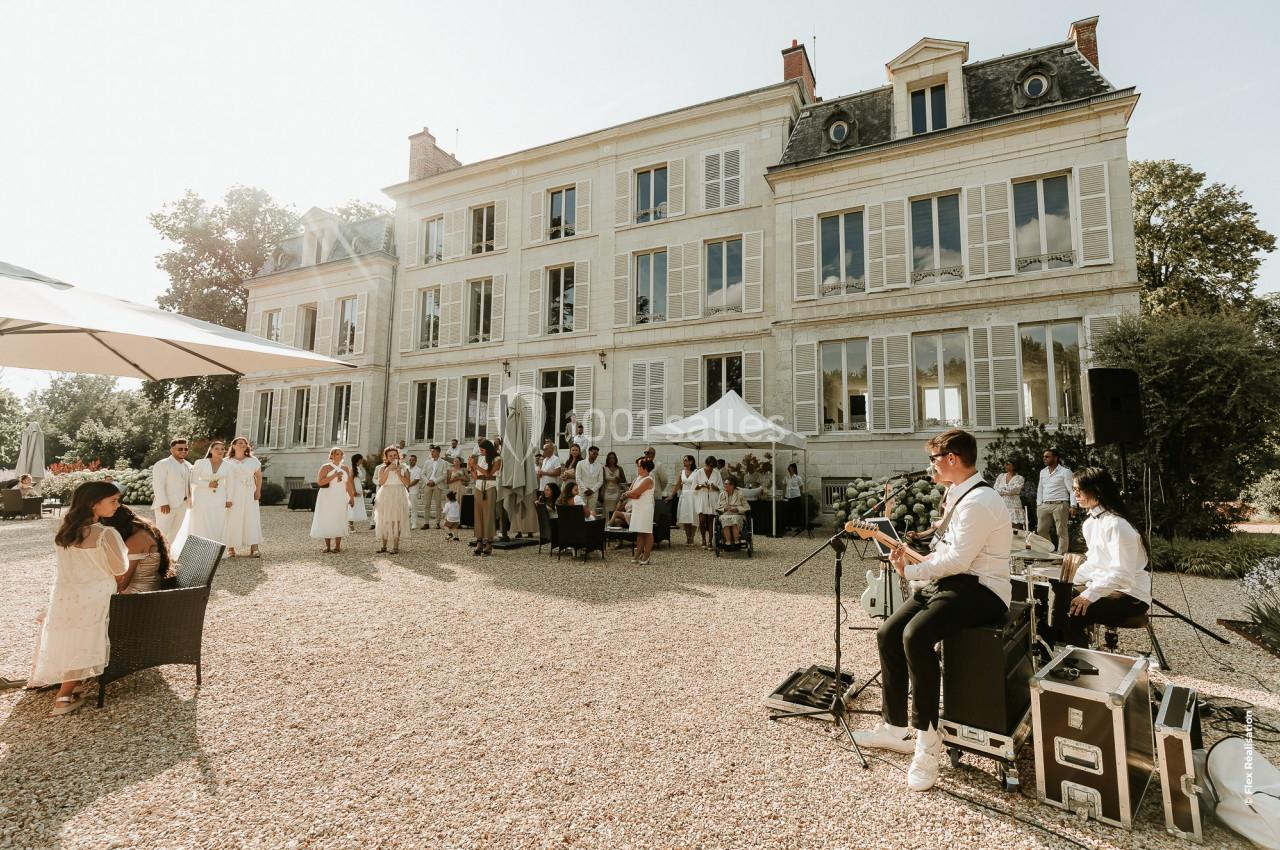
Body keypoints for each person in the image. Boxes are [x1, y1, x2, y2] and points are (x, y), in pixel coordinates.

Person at [853, 429, 1012, 793]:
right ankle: (895, 727)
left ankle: (927, 740)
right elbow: (947, 552)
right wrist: (915, 558)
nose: (931, 466)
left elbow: (959, 560)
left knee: (916, 636)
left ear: (952, 458)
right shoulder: (958, 493)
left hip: (984, 589)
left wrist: (912, 572)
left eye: (934, 459)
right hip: (953, 582)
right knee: (889, 632)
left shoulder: (978, 501)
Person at [30, 482, 130, 715]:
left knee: (70, 638)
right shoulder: (105, 534)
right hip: (97, 595)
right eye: (113, 501)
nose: (118, 505)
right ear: (93, 504)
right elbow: (120, 569)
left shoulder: (64, 533)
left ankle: (72, 685)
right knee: (85, 640)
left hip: (66, 594)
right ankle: (63, 698)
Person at [1054, 467, 1152, 647]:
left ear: (1097, 490)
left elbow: (1122, 575)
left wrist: (1089, 595)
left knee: (1072, 609)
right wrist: (1063, 579)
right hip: (1108, 587)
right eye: (1074, 489)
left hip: (1130, 594)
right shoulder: (1090, 523)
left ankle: (1078, 657)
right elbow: (1094, 563)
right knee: (1057, 597)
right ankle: (1060, 652)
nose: (1075, 494)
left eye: (1079, 489)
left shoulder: (1117, 525)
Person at [102, 504, 176, 594]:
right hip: (151, 591)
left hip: (138, 597)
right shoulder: (146, 529)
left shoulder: (136, 540)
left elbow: (121, 585)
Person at [223, 437, 262, 558]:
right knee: (231, 517)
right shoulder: (226, 461)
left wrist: (258, 491)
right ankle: (230, 548)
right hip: (232, 492)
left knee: (251, 517)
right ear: (233, 446)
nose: (243, 445)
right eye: (240, 443)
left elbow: (258, 476)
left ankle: (254, 547)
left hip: (249, 491)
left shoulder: (253, 460)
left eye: (245, 443)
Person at [311, 448, 355, 554]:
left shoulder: (345, 468)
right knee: (327, 518)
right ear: (332, 455)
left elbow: (348, 484)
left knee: (339, 518)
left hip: (340, 496)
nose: (340, 456)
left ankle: (338, 546)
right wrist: (334, 475)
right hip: (327, 496)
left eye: (341, 454)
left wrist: (351, 497)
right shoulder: (325, 467)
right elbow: (320, 482)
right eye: (337, 454)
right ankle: (328, 546)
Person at [150, 438, 193, 548]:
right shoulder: (162, 464)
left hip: (183, 504)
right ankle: (155, 553)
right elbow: (158, 485)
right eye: (180, 449)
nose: (183, 451)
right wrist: (163, 502)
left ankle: (166, 554)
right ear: (172, 450)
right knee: (161, 532)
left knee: (174, 533)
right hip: (166, 505)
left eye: (186, 449)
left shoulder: (188, 465)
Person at [1036, 448, 1076, 554]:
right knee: (1041, 530)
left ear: (1055, 458)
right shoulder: (1042, 472)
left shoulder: (1065, 472)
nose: (1044, 458)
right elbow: (1040, 488)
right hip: (1044, 505)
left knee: (1061, 532)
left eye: (1047, 456)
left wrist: (1073, 505)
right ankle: (1049, 552)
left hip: (1060, 504)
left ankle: (1061, 555)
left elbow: (1071, 490)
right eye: (1044, 456)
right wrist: (1039, 504)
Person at [190, 441, 231, 542]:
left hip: (219, 496)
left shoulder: (229, 465)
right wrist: (208, 484)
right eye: (216, 448)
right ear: (211, 450)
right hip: (201, 496)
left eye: (222, 449)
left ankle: (215, 547)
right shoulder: (200, 462)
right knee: (201, 521)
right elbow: (193, 479)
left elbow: (231, 484)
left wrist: (229, 499)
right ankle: (200, 546)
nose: (220, 451)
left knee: (218, 521)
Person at [374, 446, 411, 554]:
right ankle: (384, 546)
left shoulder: (404, 467)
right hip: (386, 494)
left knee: (397, 520)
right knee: (385, 520)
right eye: (390, 456)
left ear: (398, 455)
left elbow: (407, 483)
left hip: (399, 494)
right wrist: (388, 469)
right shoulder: (382, 468)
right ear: (386, 457)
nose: (393, 457)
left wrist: (399, 474)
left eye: (395, 455)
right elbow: (381, 482)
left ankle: (395, 546)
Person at [469, 439, 501, 556]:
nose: (480, 452)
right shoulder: (480, 458)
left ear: (488, 449)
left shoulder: (497, 459)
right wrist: (471, 468)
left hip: (490, 487)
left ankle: (489, 544)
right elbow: (475, 477)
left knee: (488, 515)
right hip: (478, 487)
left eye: (482, 450)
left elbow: (488, 474)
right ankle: (479, 542)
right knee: (478, 515)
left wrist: (475, 465)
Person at [624, 458, 657, 565]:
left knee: (647, 531)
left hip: (645, 508)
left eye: (639, 466)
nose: (637, 467)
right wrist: (631, 494)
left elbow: (636, 493)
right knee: (640, 531)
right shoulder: (638, 478)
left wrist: (630, 494)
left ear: (645, 467)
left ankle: (646, 555)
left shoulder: (648, 479)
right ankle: (638, 553)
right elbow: (632, 492)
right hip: (637, 507)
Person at [692, 456, 723, 549]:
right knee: (702, 520)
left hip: (713, 498)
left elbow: (721, 487)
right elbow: (694, 487)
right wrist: (701, 485)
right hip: (701, 498)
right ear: (706, 464)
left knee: (710, 520)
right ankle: (703, 540)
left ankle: (710, 540)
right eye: (709, 466)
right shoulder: (699, 472)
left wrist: (715, 487)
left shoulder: (717, 473)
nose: (710, 468)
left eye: (712, 467)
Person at [421, 446, 449, 530]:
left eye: (433, 451)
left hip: (438, 485)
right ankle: (426, 523)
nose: (431, 453)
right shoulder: (427, 462)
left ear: (438, 452)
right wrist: (427, 482)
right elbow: (422, 474)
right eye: (431, 451)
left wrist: (435, 481)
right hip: (428, 484)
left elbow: (444, 475)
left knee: (438, 505)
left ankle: (437, 523)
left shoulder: (444, 463)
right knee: (427, 505)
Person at [717, 477, 751, 545]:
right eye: (724, 484)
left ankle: (736, 540)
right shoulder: (722, 494)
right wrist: (724, 509)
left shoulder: (740, 494)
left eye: (726, 484)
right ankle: (728, 541)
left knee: (735, 519)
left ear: (732, 485)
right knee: (724, 519)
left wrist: (737, 509)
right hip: (725, 514)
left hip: (737, 514)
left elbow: (747, 507)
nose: (724, 485)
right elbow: (717, 507)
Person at [672, 455, 698, 546]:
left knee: (693, 518)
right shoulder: (681, 472)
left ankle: (692, 537)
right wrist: (671, 496)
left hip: (693, 496)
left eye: (686, 460)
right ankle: (688, 537)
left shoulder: (696, 472)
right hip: (684, 496)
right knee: (686, 518)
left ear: (691, 462)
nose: (684, 462)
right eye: (683, 460)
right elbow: (677, 485)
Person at [994, 458, 1026, 530]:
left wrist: (1002, 489)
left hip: (1014, 505)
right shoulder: (1001, 476)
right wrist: (1008, 490)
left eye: (1007, 464)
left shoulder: (1020, 478)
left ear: (1014, 466)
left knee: (1015, 528)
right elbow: (995, 489)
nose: (1005, 465)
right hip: (1001, 504)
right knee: (1001, 527)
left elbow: (1014, 490)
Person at [601, 451, 628, 520]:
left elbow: (624, 481)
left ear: (616, 459)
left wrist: (619, 479)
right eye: (610, 458)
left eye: (613, 458)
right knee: (607, 509)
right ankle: (606, 523)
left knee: (615, 509)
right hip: (607, 491)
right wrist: (601, 493)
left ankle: (613, 523)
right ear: (607, 459)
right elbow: (602, 482)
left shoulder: (619, 468)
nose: (611, 460)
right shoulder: (604, 468)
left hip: (616, 492)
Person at [348, 453, 370, 532]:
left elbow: (357, 479)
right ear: (358, 460)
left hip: (358, 487)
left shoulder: (357, 468)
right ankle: (350, 525)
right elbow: (350, 480)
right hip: (354, 488)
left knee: (356, 506)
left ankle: (351, 524)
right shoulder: (353, 469)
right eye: (361, 459)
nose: (362, 460)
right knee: (352, 506)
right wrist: (353, 490)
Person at [577, 446, 604, 511]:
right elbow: (578, 478)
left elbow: (600, 481)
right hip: (582, 492)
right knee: (581, 511)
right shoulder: (580, 463)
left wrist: (592, 490)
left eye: (597, 454)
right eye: (594, 453)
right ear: (589, 452)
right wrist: (585, 490)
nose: (595, 455)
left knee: (592, 511)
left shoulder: (600, 466)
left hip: (593, 493)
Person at [784, 462, 805, 534]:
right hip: (788, 496)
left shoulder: (798, 477)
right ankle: (788, 526)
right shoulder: (786, 477)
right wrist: (784, 494)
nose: (789, 469)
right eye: (789, 468)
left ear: (794, 469)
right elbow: (784, 485)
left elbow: (801, 486)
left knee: (797, 512)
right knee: (788, 512)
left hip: (796, 496)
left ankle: (799, 526)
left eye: (791, 468)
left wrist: (801, 494)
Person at [405, 454, 423, 531]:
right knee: (405, 507)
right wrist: (405, 486)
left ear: (416, 461)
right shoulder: (406, 468)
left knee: (413, 507)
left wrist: (408, 486)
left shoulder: (418, 469)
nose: (411, 461)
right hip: (405, 491)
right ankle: (406, 523)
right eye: (410, 460)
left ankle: (414, 523)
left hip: (413, 490)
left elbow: (416, 480)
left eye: (413, 460)